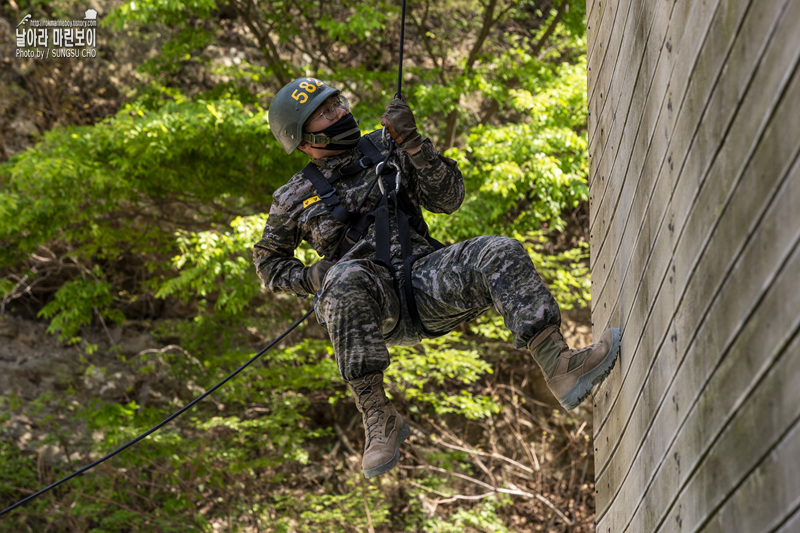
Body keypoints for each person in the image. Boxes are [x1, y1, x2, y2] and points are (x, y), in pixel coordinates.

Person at [253, 77, 621, 479]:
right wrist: (310, 276)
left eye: (337, 103)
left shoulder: (386, 144)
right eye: (325, 113)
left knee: (498, 250)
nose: (339, 112)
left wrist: (412, 141)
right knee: (342, 278)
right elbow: (269, 265)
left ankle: (560, 365)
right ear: (306, 141)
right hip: (372, 307)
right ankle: (379, 419)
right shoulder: (293, 196)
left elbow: (450, 198)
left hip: (426, 281)